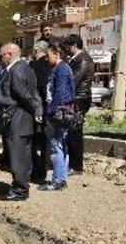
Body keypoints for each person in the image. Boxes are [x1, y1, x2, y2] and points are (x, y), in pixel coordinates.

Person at [0, 43, 43, 201]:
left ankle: (20, 190)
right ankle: (20, 186)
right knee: (22, 155)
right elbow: (33, 92)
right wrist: (37, 109)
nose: (0, 59)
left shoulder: (17, 69)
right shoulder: (25, 67)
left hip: (18, 119)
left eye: (1, 56)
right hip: (22, 119)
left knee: (18, 156)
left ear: (9, 54)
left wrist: (36, 108)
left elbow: (23, 94)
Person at [40, 44, 76, 192]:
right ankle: (61, 178)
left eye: (48, 56)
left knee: (56, 147)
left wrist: (52, 110)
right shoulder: (64, 68)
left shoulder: (61, 69)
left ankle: (57, 180)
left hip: (59, 113)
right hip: (65, 111)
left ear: (56, 54)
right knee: (62, 146)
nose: (46, 59)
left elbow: (60, 93)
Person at [61, 34, 94, 175]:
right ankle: (72, 163)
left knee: (75, 132)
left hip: (79, 98)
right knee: (71, 132)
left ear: (74, 45)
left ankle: (77, 166)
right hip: (74, 98)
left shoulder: (83, 60)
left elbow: (74, 80)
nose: (65, 50)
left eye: (67, 47)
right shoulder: (73, 60)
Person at [29, 41, 51, 181]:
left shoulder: (36, 65)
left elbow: (40, 86)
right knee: (44, 141)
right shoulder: (48, 64)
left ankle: (39, 169)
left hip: (38, 107)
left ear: (36, 50)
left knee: (37, 140)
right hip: (45, 106)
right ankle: (43, 166)